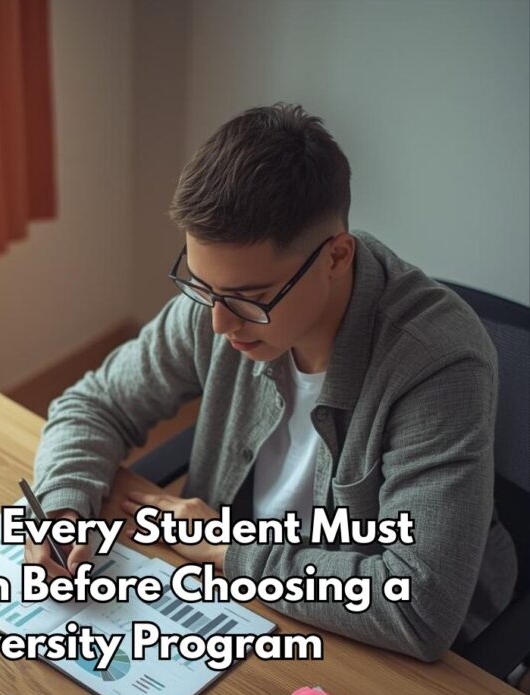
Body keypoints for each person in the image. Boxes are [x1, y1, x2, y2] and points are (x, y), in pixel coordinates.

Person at [26, 103, 517, 661]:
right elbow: (93, 403)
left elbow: (418, 605)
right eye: (202, 284)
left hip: (399, 651)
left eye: (250, 299)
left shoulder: (438, 361)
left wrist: (232, 551)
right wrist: (63, 506)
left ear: (336, 256)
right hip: (249, 600)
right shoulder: (220, 300)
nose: (218, 323)